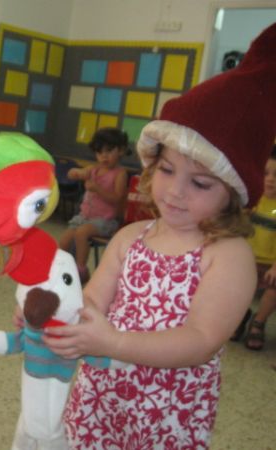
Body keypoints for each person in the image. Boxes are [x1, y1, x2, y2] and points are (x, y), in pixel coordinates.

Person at [40, 23, 276, 449]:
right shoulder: (131, 237)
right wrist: (55, 317)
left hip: (167, 415)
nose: (175, 191)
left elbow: (201, 340)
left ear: (234, 192)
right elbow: (92, 299)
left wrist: (115, 342)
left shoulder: (228, 255)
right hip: (101, 400)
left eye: (200, 183)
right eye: (166, 170)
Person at [57, 128, 129, 283]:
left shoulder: (120, 173)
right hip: (84, 218)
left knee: (81, 233)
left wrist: (97, 189)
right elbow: (73, 173)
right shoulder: (93, 169)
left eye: (109, 151)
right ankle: (63, 268)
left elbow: (117, 199)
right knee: (64, 241)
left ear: (121, 150)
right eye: (99, 152)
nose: (104, 156)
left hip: (106, 221)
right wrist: (75, 173)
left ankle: (81, 270)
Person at [243, 146, 276, 350]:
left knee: (274, 290)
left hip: (271, 265)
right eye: (266, 174)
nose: (270, 179)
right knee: (238, 284)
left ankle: (259, 321)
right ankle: (240, 315)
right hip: (248, 259)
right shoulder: (254, 199)